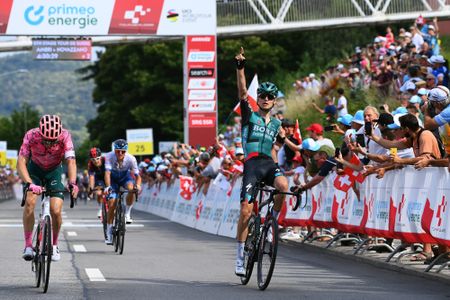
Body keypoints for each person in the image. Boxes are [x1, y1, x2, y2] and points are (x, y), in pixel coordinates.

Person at [234, 47, 290, 276]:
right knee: (246, 212)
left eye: (270, 97)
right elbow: (242, 90)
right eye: (262, 96)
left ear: (274, 101)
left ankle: (271, 225)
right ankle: (239, 257)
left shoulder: (277, 124)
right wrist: (240, 68)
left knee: (284, 186)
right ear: (258, 99)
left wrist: (292, 142)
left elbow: (285, 144)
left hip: (268, 163)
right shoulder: (250, 114)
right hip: (252, 164)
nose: (266, 99)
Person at [17, 115, 78, 262]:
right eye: (46, 140)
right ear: (40, 134)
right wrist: (29, 183)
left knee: (56, 210)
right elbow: (21, 162)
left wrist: (72, 182)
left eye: (53, 141)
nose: (50, 143)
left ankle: (55, 245)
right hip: (35, 170)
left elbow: (71, 161)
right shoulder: (31, 135)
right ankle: (28, 245)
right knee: (30, 202)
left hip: (54, 171)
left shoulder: (65, 136)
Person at [104, 139, 142, 244]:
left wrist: (138, 185)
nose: (120, 153)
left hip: (125, 177)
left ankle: (127, 213)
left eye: (123, 151)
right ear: (114, 150)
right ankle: (109, 231)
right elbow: (107, 173)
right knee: (111, 204)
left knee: (131, 189)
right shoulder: (108, 156)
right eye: (117, 151)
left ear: (126, 151)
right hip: (113, 179)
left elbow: (138, 176)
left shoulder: (131, 159)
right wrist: (108, 187)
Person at [87, 147, 106, 218]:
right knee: (98, 192)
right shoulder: (90, 164)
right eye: (93, 160)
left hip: (108, 175)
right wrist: (91, 190)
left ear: (101, 157)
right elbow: (91, 177)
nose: (95, 161)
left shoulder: (106, 160)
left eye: (97, 158)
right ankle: (100, 208)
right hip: (99, 178)